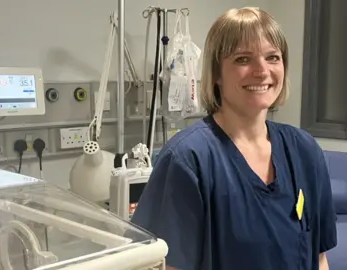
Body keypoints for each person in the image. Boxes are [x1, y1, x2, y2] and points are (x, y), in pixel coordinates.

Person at [131, 7, 337, 270]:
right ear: (217, 74)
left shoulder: (304, 150)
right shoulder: (188, 159)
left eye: (273, 57)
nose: (261, 71)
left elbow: (319, 259)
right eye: (243, 59)